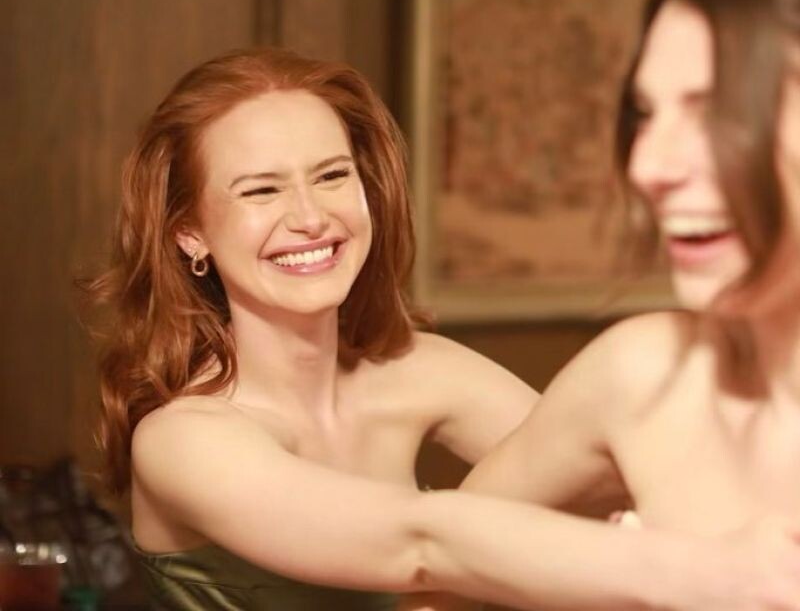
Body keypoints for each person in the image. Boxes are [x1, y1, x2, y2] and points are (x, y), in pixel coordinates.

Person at [87, 46, 800, 611]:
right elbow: (419, 546)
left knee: (640, 368)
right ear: (189, 233)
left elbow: (608, 471)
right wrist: (705, 570)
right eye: (262, 190)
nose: (309, 216)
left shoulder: (419, 370)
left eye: (332, 176)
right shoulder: (182, 439)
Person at [411, 0, 800, 611]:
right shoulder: (643, 376)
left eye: (717, 113)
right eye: (645, 114)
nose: (648, 165)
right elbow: (434, 580)